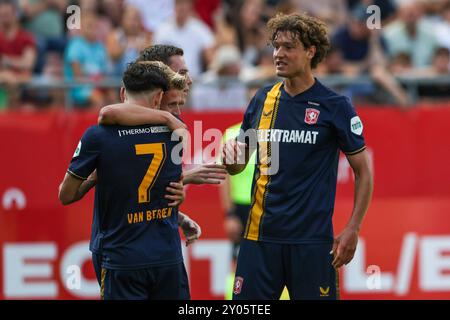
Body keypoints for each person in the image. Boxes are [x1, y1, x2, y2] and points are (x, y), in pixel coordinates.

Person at [222, 12, 373, 300]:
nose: (278, 54)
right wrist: (231, 159)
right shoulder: (262, 99)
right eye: (276, 46)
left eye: (288, 47)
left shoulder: (335, 106)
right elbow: (238, 163)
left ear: (310, 51)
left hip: (312, 244)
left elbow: (363, 172)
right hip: (259, 239)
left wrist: (353, 227)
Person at [59, 61, 190, 300]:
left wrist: (94, 179)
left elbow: (65, 195)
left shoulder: (97, 137)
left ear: (122, 93)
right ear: (159, 97)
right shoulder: (175, 133)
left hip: (122, 259)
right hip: (167, 257)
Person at [98, 44, 227, 185]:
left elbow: (155, 190)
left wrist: (182, 180)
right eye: (182, 73)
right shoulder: (127, 120)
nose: (189, 80)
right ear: (160, 74)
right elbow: (107, 113)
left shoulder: (173, 125)